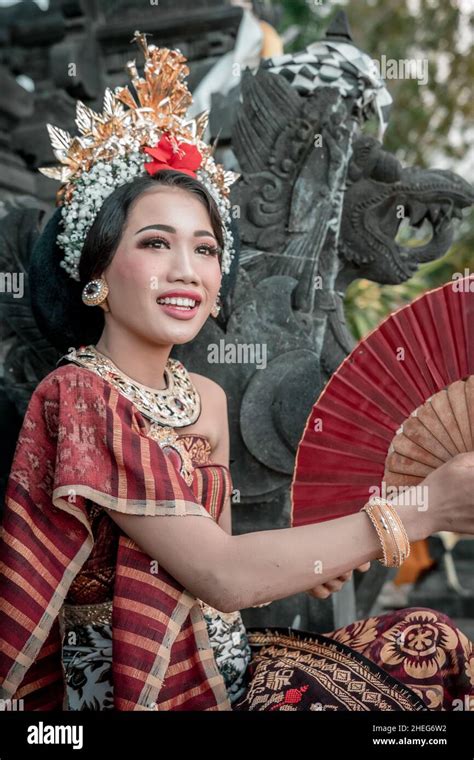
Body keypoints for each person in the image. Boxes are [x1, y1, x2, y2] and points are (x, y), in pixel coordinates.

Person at [1, 33, 473, 713]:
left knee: (434, 644)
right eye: (155, 243)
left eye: (205, 248)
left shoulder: (208, 398)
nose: (187, 270)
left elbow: (219, 560)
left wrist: (314, 559)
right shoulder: (82, 396)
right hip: (136, 689)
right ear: (98, 273)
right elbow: (220, 577)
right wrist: (421, 510)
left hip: (223, 661)